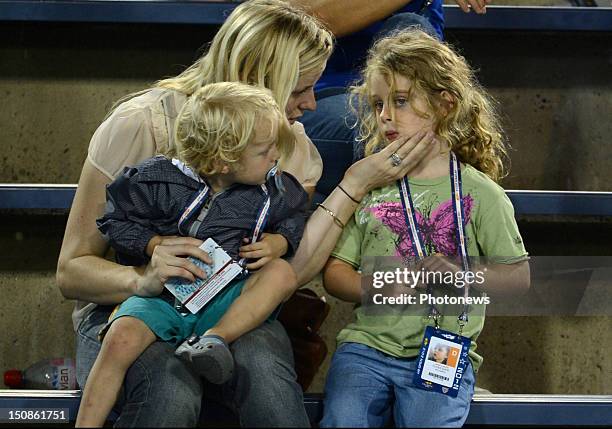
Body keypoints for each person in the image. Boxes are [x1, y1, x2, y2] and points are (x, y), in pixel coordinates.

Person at [57, 0, 435, 426]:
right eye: (298, 90)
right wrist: (142, 278)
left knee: (271, 391)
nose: (311, 104)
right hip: (131, 305)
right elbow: (72, 272)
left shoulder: (292, 148)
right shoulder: (142, 123)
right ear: (256, 80)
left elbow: (289, 271)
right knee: (170, 394)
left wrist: (354, 185)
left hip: (231, 306)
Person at [320, 29, 530, 427]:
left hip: (443, 352)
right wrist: (382, 285)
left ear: (445, 105)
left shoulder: (481, 193)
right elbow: (335, 274)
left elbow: (517, 278)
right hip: (367, 350)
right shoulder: (372, 187)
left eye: (400, 102)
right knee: (343, 419)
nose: (384, 116)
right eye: (378, 104)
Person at [76, 82, 311, 427]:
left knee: (281, 274)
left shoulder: (272, 190)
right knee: (120, 337)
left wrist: (280, 242)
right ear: (222, 160)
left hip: (229, 297)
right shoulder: (157, 180)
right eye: (264, 150)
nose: (276, 155)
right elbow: (115, 221)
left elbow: (296, 216)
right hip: (167, 292)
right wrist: (152, 245)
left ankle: (215, 340)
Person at [292, 0, 492, 199]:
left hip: (405, 85)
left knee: (409, 27)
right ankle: (411, 204)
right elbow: (294, 18)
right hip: (322, 96)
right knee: (381, 126)